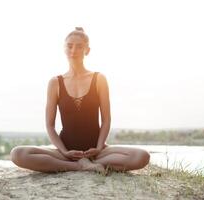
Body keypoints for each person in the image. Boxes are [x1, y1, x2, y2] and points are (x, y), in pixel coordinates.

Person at [10, 27, 150, 173]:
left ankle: (89, 163)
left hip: (97, 151)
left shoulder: (99, 79)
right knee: (17, 154)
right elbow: (50, 125)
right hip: (66, 152)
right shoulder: (55, 83)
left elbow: (106, 120)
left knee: (142, 156)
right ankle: (79, 166)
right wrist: (64, 152)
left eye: (79, 46)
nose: (73, 50)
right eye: (69, 46)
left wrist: (99, 147)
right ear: (64, 49)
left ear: (87, 50)